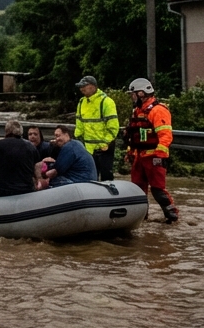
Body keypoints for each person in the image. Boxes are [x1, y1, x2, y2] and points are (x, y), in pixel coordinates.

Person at [125, 78, 179, 223]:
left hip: (154, 156)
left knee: (158, 190)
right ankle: (142, 217)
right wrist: (130, 151)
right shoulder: (137, 111)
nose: (132, 97)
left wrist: (159, 155)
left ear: (141, 93)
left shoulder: (158, 110)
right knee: (137, 190)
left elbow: (165, 135)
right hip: (139, 157)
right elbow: (135, 136)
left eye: (133, 94)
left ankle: (172, 216)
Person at [74, 76, 120, 180]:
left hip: (104, 148)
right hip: (88, 149)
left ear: (93, 86)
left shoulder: (106, 102)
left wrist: (104, 144)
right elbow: (79, 123)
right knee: (90, 177)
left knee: (106, 177)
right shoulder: (82, 102)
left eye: (84, 86)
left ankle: (109, 196)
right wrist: (78, 140)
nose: (81, 89)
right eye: (80, 86)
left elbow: (113, 126)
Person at [0, 120, 38, 196]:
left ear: (7, 131)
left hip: (3, 190)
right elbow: (37, 168)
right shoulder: (31, 146)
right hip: (26, 190)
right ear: (21, 132)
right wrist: (37, 183)